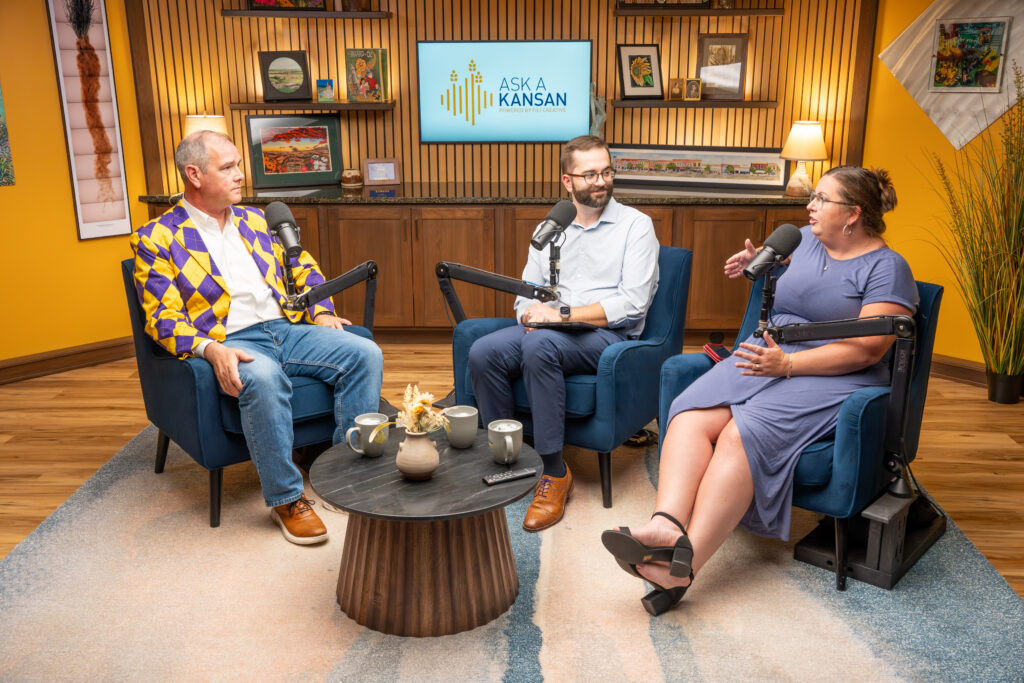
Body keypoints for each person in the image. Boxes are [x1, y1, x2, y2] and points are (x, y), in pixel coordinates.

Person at [602, 166, 918, 614]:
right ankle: (666, 526)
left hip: (834, 372)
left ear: (854, 214)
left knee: (738, 434)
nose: (811, 205)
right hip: (771, 352)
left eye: (823, 199)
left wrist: (788, 364)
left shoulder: (888, 267)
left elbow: (868, 348)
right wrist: (760, 266)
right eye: (814, 196)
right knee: (689, 416)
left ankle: (684, 568)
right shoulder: (806, 242)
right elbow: (796, 292)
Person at [131, 130, 383, 545]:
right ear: (194, 174)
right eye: (227, 167)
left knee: (364, 354)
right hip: (231, 339)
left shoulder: (257, 219)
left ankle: (344, 472)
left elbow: (301, 265)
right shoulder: (157, 238)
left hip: (287, 327)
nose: (240, 175)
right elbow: (163, 318)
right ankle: (287, 499)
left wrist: (321, 310)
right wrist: (211, 350)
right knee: (263, 378)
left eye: (237, 165)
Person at [468, 135, 660, 532]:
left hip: (609, 337)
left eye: (606, 171)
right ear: (567, 182)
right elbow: (526, 293)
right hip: (551, 330)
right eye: (589, 174)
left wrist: (563, 315)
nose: (601, 181)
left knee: (540, 345)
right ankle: (512, 460)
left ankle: (555, 473)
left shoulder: (636, 227)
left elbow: (634, 304)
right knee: (483, 351)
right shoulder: (550, 227)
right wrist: (529, 315)